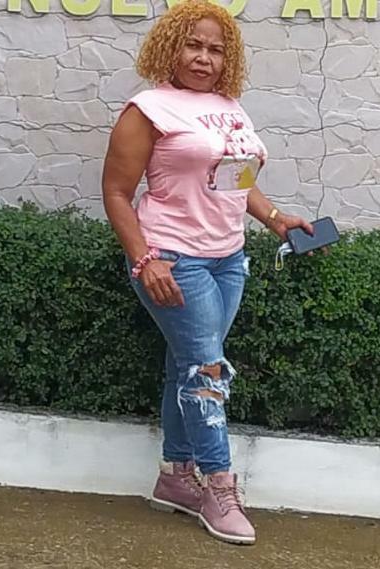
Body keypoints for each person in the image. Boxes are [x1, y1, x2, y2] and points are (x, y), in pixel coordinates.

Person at [102, 0, 313, 546]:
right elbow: (117, 192)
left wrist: (275, 219)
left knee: (188, 363)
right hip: (173, 257)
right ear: (170, 48)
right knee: (206, 371)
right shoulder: (147, 109)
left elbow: (236, 181)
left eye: (215, 50)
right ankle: (219, 487)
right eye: (193, 46)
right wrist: (145, 259)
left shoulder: (229, 107)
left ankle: (175, 476)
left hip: (228, 259)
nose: (204, 58)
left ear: (228, 58)